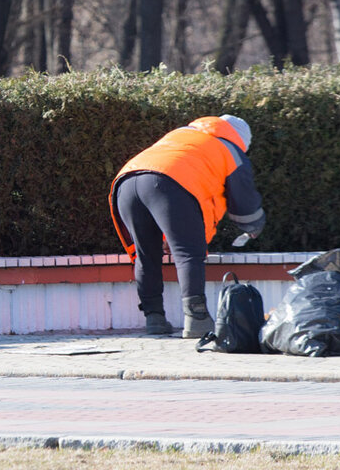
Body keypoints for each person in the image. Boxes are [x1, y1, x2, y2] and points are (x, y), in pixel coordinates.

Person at [108, 115, 266, 338]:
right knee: (189, 253)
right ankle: (197, 320)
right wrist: (254, 225)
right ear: (241, 141)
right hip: (167, 182)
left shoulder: (184, 135)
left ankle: (154, 318)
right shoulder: (231, 150)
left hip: (127, 181)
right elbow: (243, 201)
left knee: (146, 254)